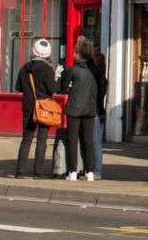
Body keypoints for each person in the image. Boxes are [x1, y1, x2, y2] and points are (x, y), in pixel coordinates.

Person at [61, 35, 107, 183]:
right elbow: (100, 91)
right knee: (89, 141)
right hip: (90, 109)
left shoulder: (72, 70)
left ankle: (73, 172)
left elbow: (64, 88)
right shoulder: (96, 71)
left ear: (78, 53)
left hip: (74, 109)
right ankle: (90, 172)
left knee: (73, 140)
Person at [13, 39, 61, 179]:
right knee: (42, 139)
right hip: (44, 108)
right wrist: (56, 77)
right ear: (48, 53)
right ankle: (38, 172)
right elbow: (53, 90)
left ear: (33, 50)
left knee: (26, 139)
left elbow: (18, 87)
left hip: (28, 107)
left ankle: (20, 171)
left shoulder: (25, 68)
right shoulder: (47, 69)